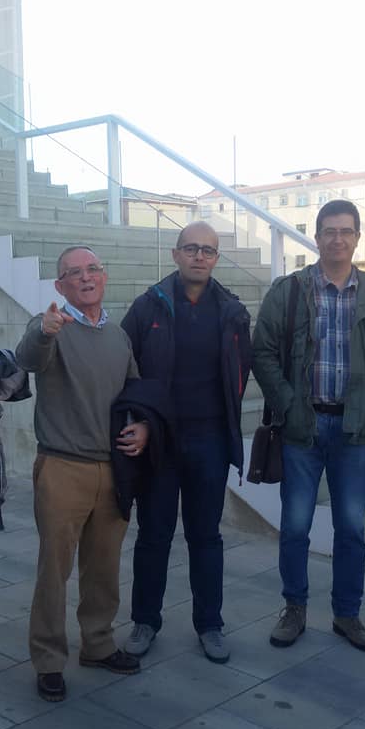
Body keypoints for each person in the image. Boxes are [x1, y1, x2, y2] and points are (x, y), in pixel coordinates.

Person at [253, 199, 365, 652]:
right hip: (303, 428)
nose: (338, 239)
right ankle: (294, 607)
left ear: (358, 238)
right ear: (316, 237)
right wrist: (288, 404)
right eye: (329, 231)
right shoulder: (289, 290)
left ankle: (347, 613)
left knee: (351, 528)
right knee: (295, 526)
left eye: (346, 231)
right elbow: (263, 353)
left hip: (356, 431)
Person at [15, 245, 149, 702]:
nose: (86, 277)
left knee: (104, 567)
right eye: (74, 273)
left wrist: (144, 427)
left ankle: (98, 644)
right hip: (62, 468)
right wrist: (45, 330)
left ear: (104, 276)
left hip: (113, 469)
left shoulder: (118, 335)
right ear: (60, 285)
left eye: (93, 269)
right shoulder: (50, 323)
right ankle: (49, 660)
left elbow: (135, 392)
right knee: (54, 571)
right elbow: (29, 356)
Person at [121, 221, 251, 663]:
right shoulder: (147, 307)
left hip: (210, 439)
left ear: (216, 259)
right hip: (160, 441)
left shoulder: (232, 311)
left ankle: (210, 624)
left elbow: (239, 374)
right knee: (153, 534)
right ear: (175, 254)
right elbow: (126, 371)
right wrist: (141, 421)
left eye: (208, 250)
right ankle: (145, 620)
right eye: (191, 248)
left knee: (205, 536)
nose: (200, 256)